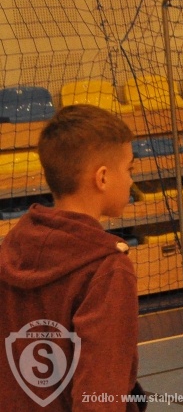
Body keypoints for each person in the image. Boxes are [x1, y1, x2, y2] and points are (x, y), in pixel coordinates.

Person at [0, 104, 145, 411]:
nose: (131, 181)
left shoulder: (12, 247)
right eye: (129, 169)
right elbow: (99, 398)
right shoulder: (107, 268)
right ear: (102, 178)